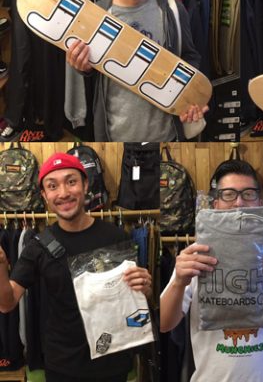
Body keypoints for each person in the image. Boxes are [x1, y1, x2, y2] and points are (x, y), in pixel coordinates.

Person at [159, 159, 263, 381]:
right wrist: (179, 281)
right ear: (215, 203)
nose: (239, 202)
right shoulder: (197, 254)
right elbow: (165, 324)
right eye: (228, 194)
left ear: (260, 202)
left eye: (248, 194)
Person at [0, 153, 153, 382]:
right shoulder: (37, 246)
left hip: (113, 362)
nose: (63, 193)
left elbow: (135, 299)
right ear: (44, 195)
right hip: (63, 366)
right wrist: (1, 266)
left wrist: (145, 289)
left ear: (85, 185)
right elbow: (7, 303)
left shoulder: (117, 236)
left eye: (71, 181)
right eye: (52, 186)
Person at [66, 0, 208, 142]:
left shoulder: (173, 10)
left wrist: (190, 98)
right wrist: (83, 68)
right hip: (114, 138)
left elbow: (190, 58)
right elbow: (91, 81)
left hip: (168, 136)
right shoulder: (95, 14)